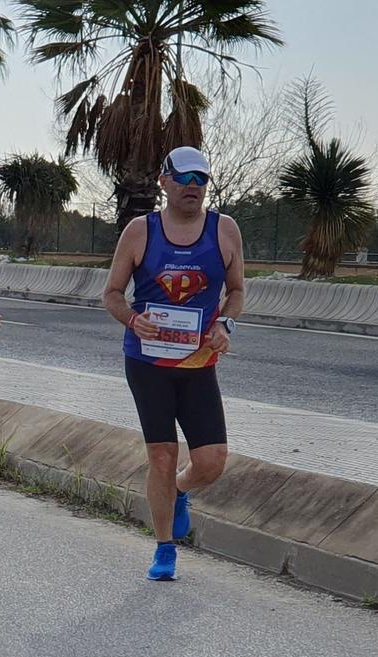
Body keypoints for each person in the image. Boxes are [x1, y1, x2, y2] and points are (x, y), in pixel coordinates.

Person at [101, 146, 243, 582]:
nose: (193, 187)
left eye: (201, 179)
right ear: (164, 181)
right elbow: (111, 294)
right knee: (162, 455)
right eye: (184, 178)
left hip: (199, 363)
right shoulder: (140, 231)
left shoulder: (224, 230)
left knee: (212, 462)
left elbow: (235, 292)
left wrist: (226, 325)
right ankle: (165, 549)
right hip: (148, 364)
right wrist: (133, 319)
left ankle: (179, 491)